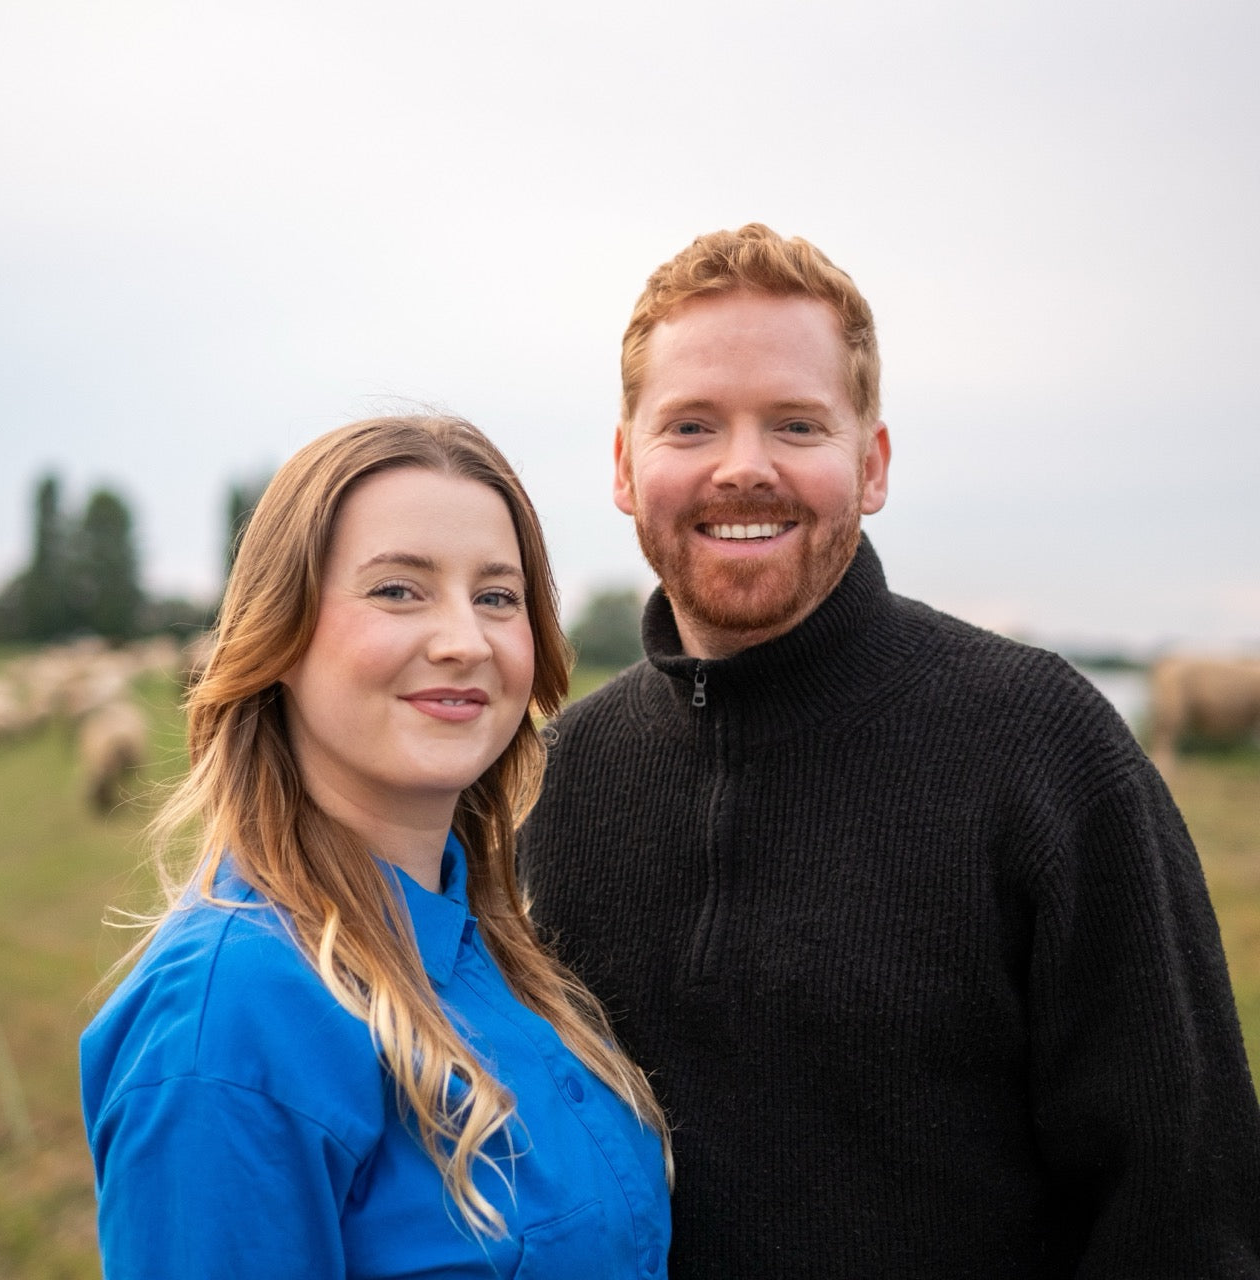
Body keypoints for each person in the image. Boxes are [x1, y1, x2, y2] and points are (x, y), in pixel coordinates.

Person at [519, 225, 1260, 1278]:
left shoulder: (1043, 750)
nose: (742, 466)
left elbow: (1185, 1217)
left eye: (794, 423)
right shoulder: (561, 782)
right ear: (623, 466)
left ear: (868, 464)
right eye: (690, 424)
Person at [81, 415, 672, 1279]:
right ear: (278, 635)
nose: (464, 640)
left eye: (498, 596)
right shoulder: (230, 1027)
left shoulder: (501, 956)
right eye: (399, 590)